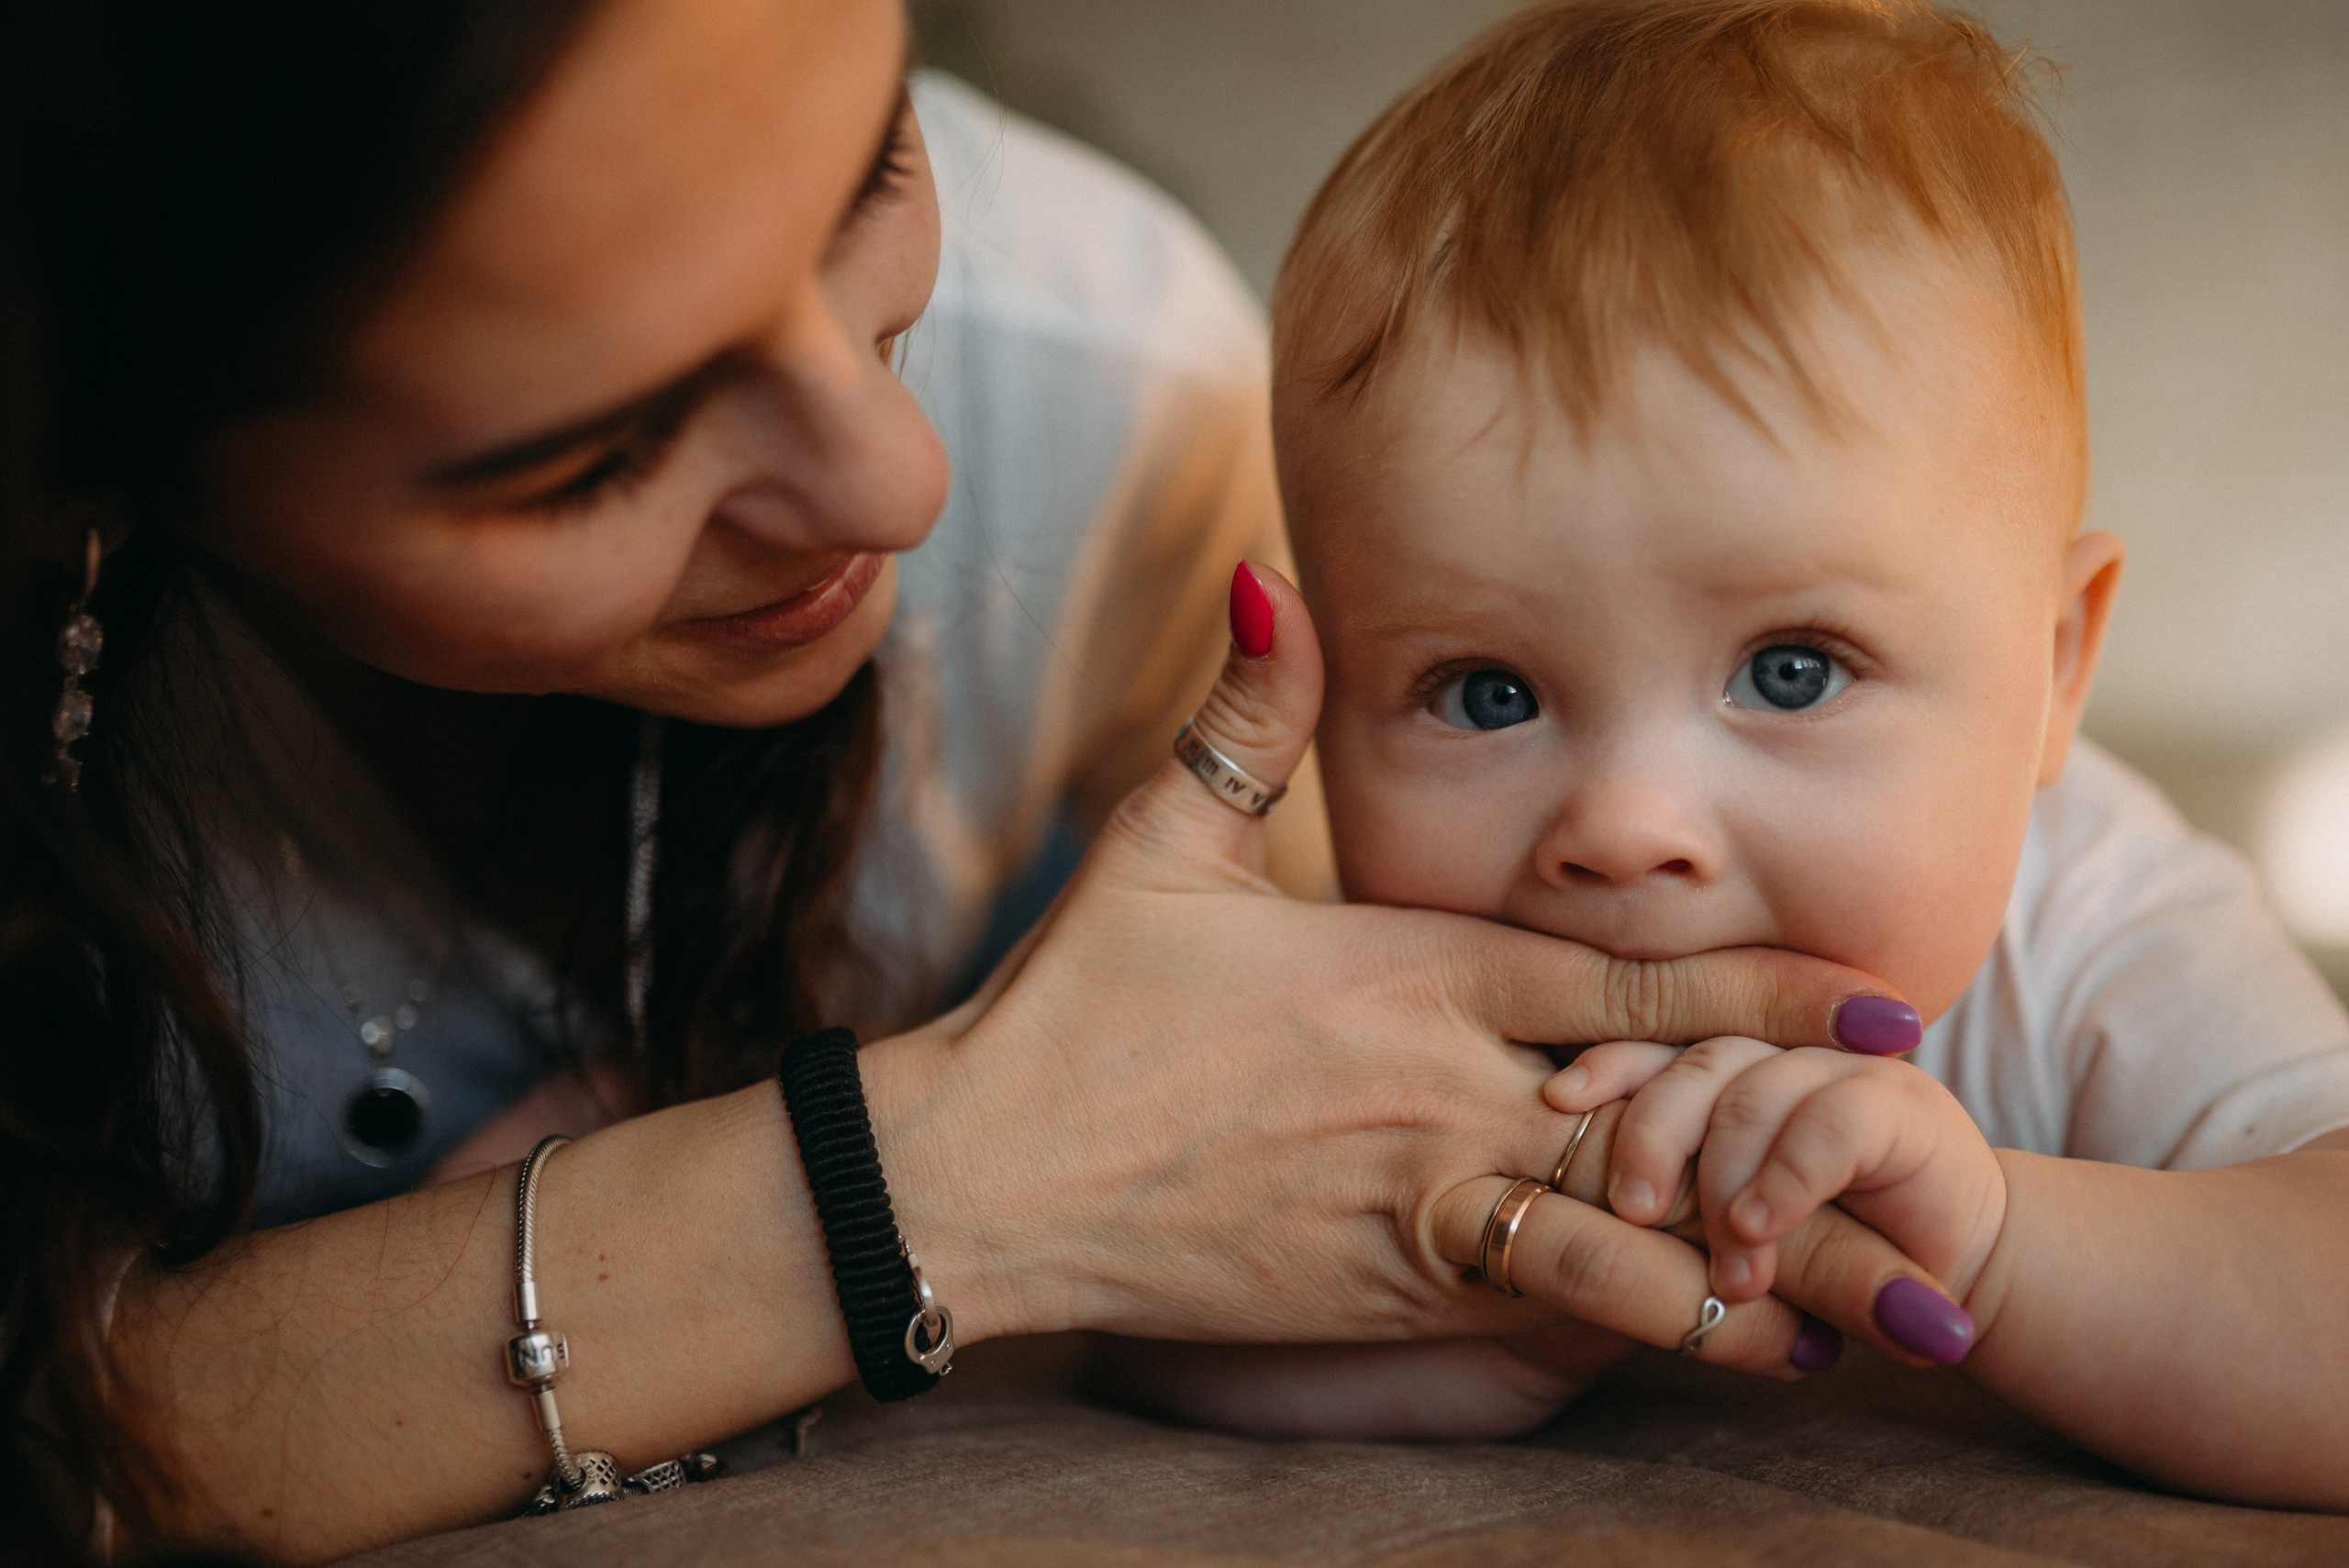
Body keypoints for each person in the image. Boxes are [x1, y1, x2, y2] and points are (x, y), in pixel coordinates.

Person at [0, 4, 1928, 1562]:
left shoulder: (1102, 392)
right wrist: (945, 1181)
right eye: (597, 451)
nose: (900, 483)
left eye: (870, 174)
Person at [1112, 0, 2349, 1511]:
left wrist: (1997, 1236)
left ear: (2054, 669)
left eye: (1791, 670)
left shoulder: (2097, 929)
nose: (1626, 828)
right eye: (1486, 693)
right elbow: (1153, 1317)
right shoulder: (1407, 990)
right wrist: (1512, 1327)